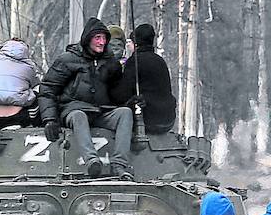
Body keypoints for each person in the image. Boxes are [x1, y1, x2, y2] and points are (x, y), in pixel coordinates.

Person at [39, 17, 128, 178]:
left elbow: (118, 92)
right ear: (88, 38)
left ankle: (119, 164)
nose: (102, 42)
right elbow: (48, 88)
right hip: (73, 109)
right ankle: (92, 160)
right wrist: (49, 120)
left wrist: (132, 99)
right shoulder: (68, 59)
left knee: (125, 113)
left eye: (104, 38)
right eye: (97, 38)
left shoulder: (111, 63)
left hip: (101, 111)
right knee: (79, 116)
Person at [116, 23, 176, 135]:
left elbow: (122, 94)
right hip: (168, 119)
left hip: (148, 120)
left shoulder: (134, 61)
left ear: (136, 43)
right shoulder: (160, 61)